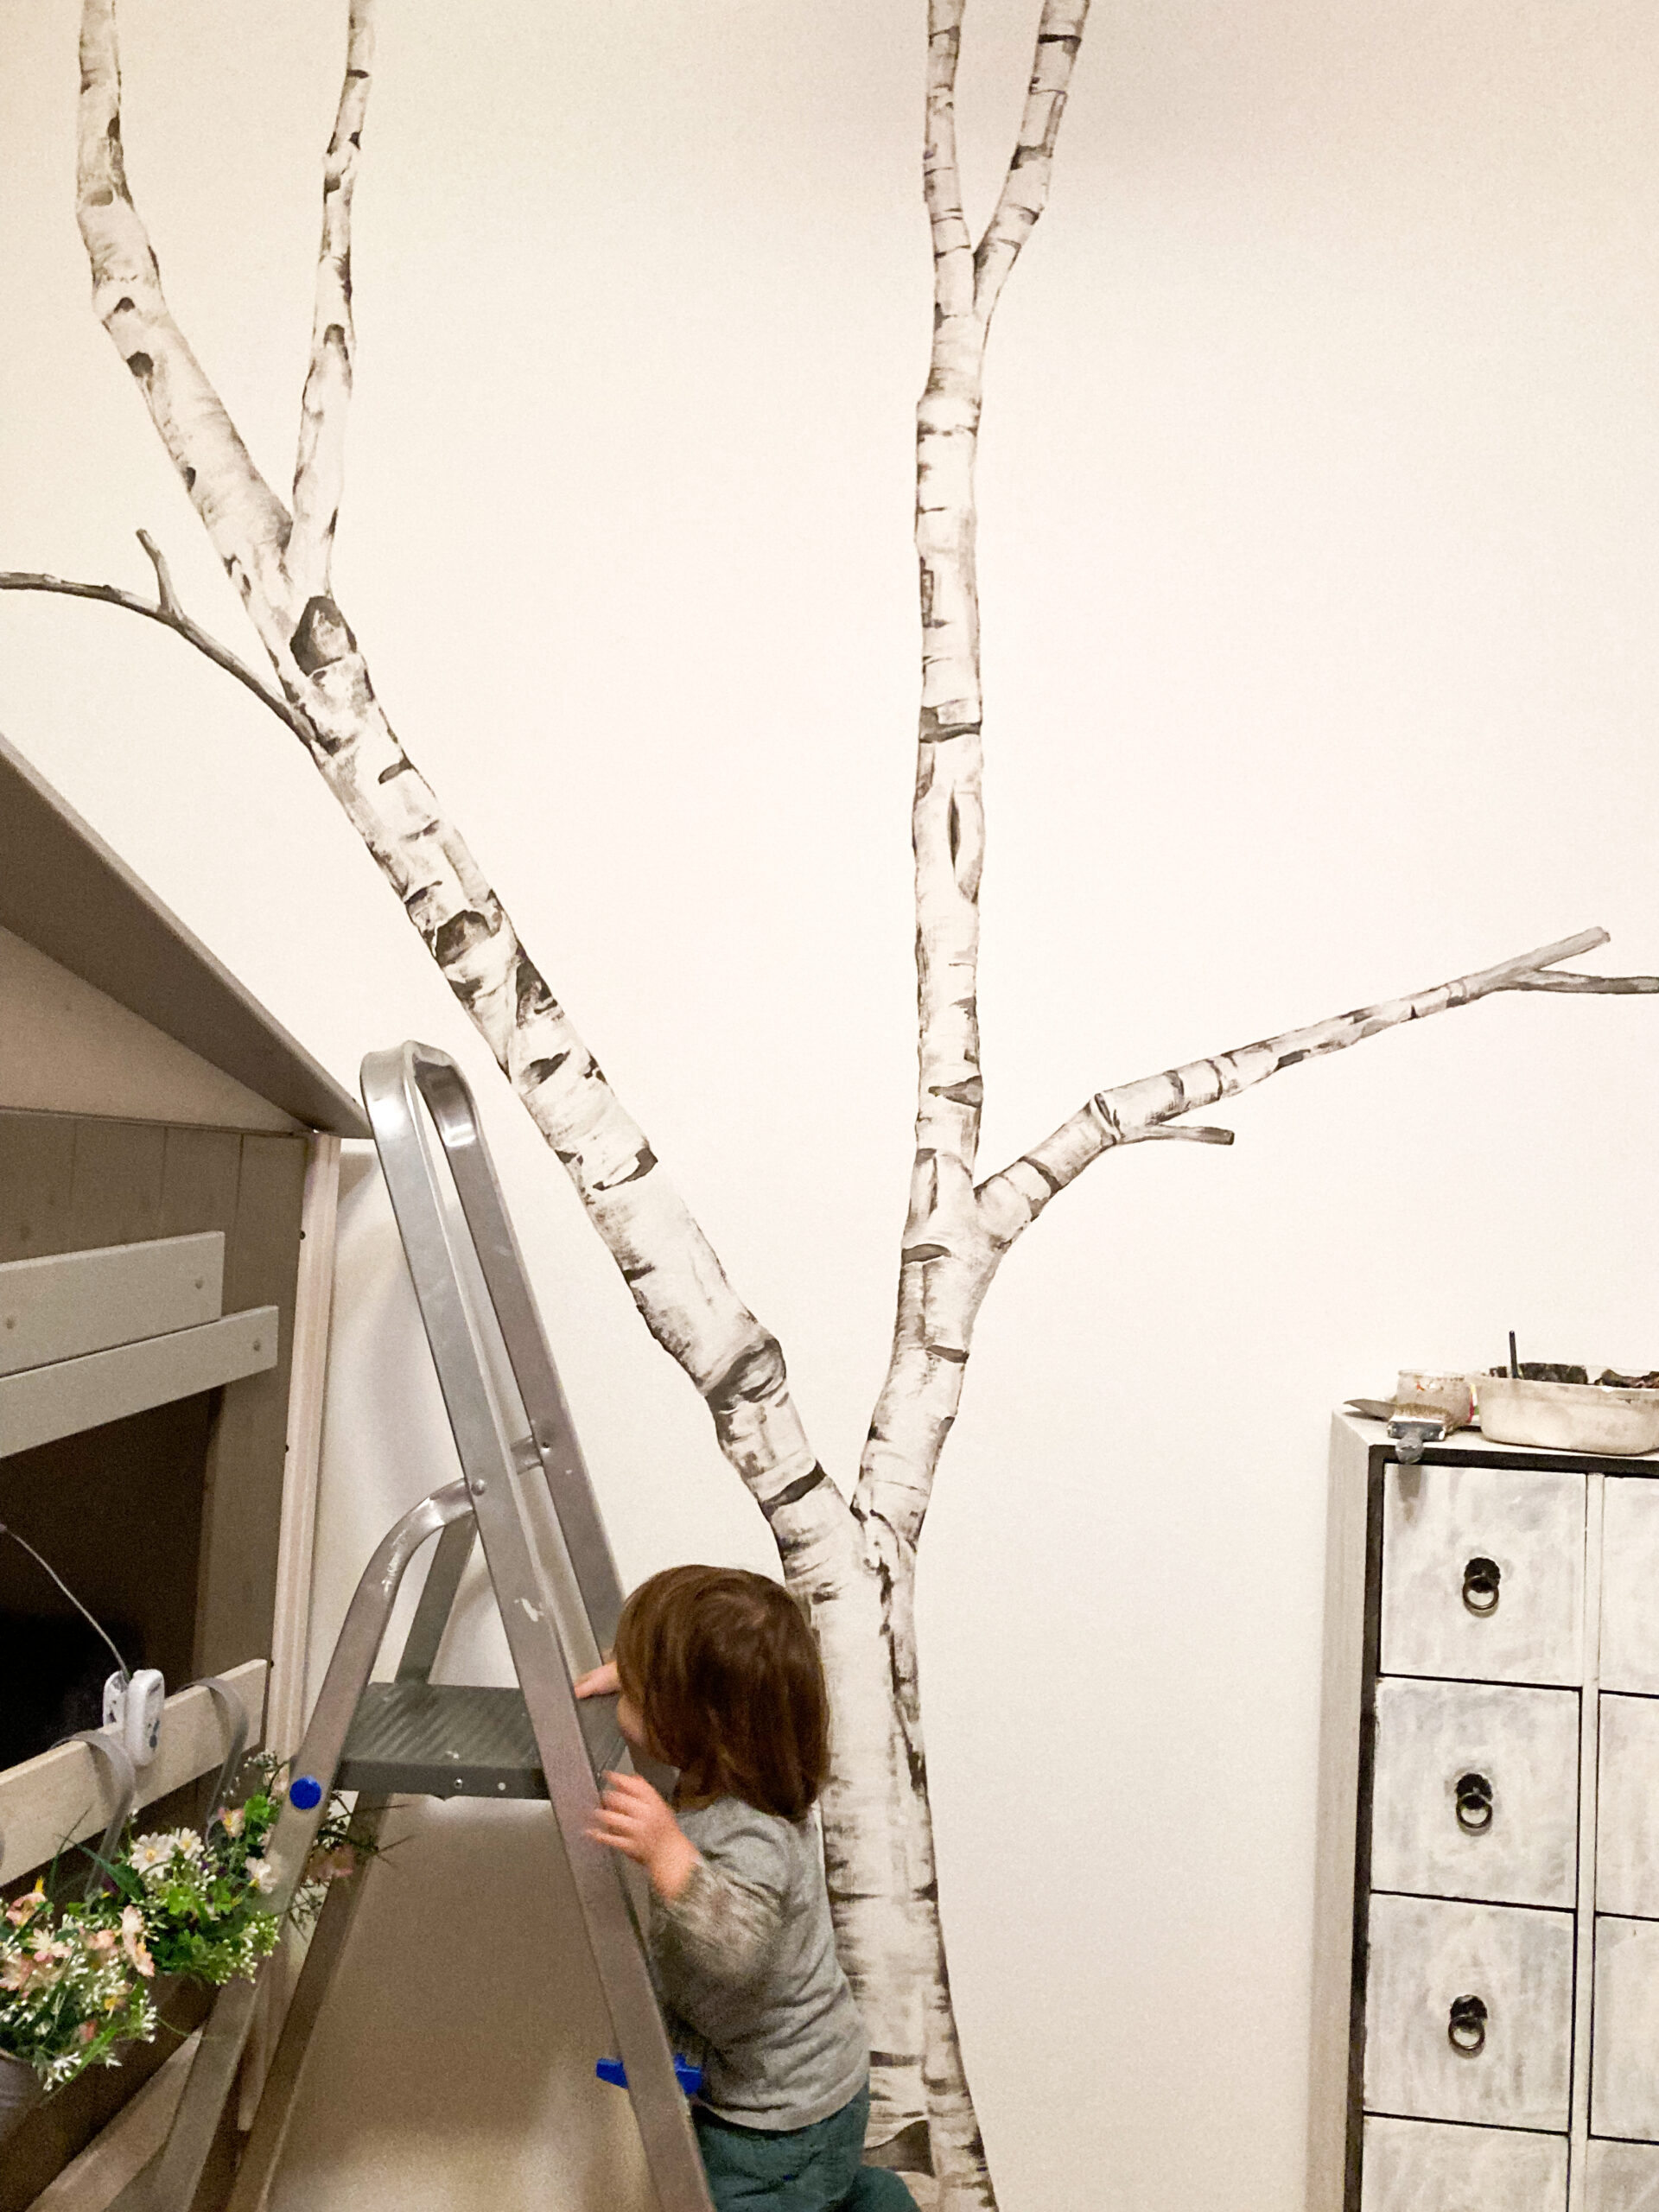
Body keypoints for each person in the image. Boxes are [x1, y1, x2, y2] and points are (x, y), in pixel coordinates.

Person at [575, 1564, 915, 2212]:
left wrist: (669, 1855)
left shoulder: (750, 1831)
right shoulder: (741, 1767)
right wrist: (639, 1674)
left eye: (642, 1691)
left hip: (778, 2121)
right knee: (832, 2191)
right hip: (808, 2086)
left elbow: (737, 1949)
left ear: (694, 1719)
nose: (627, 1700)